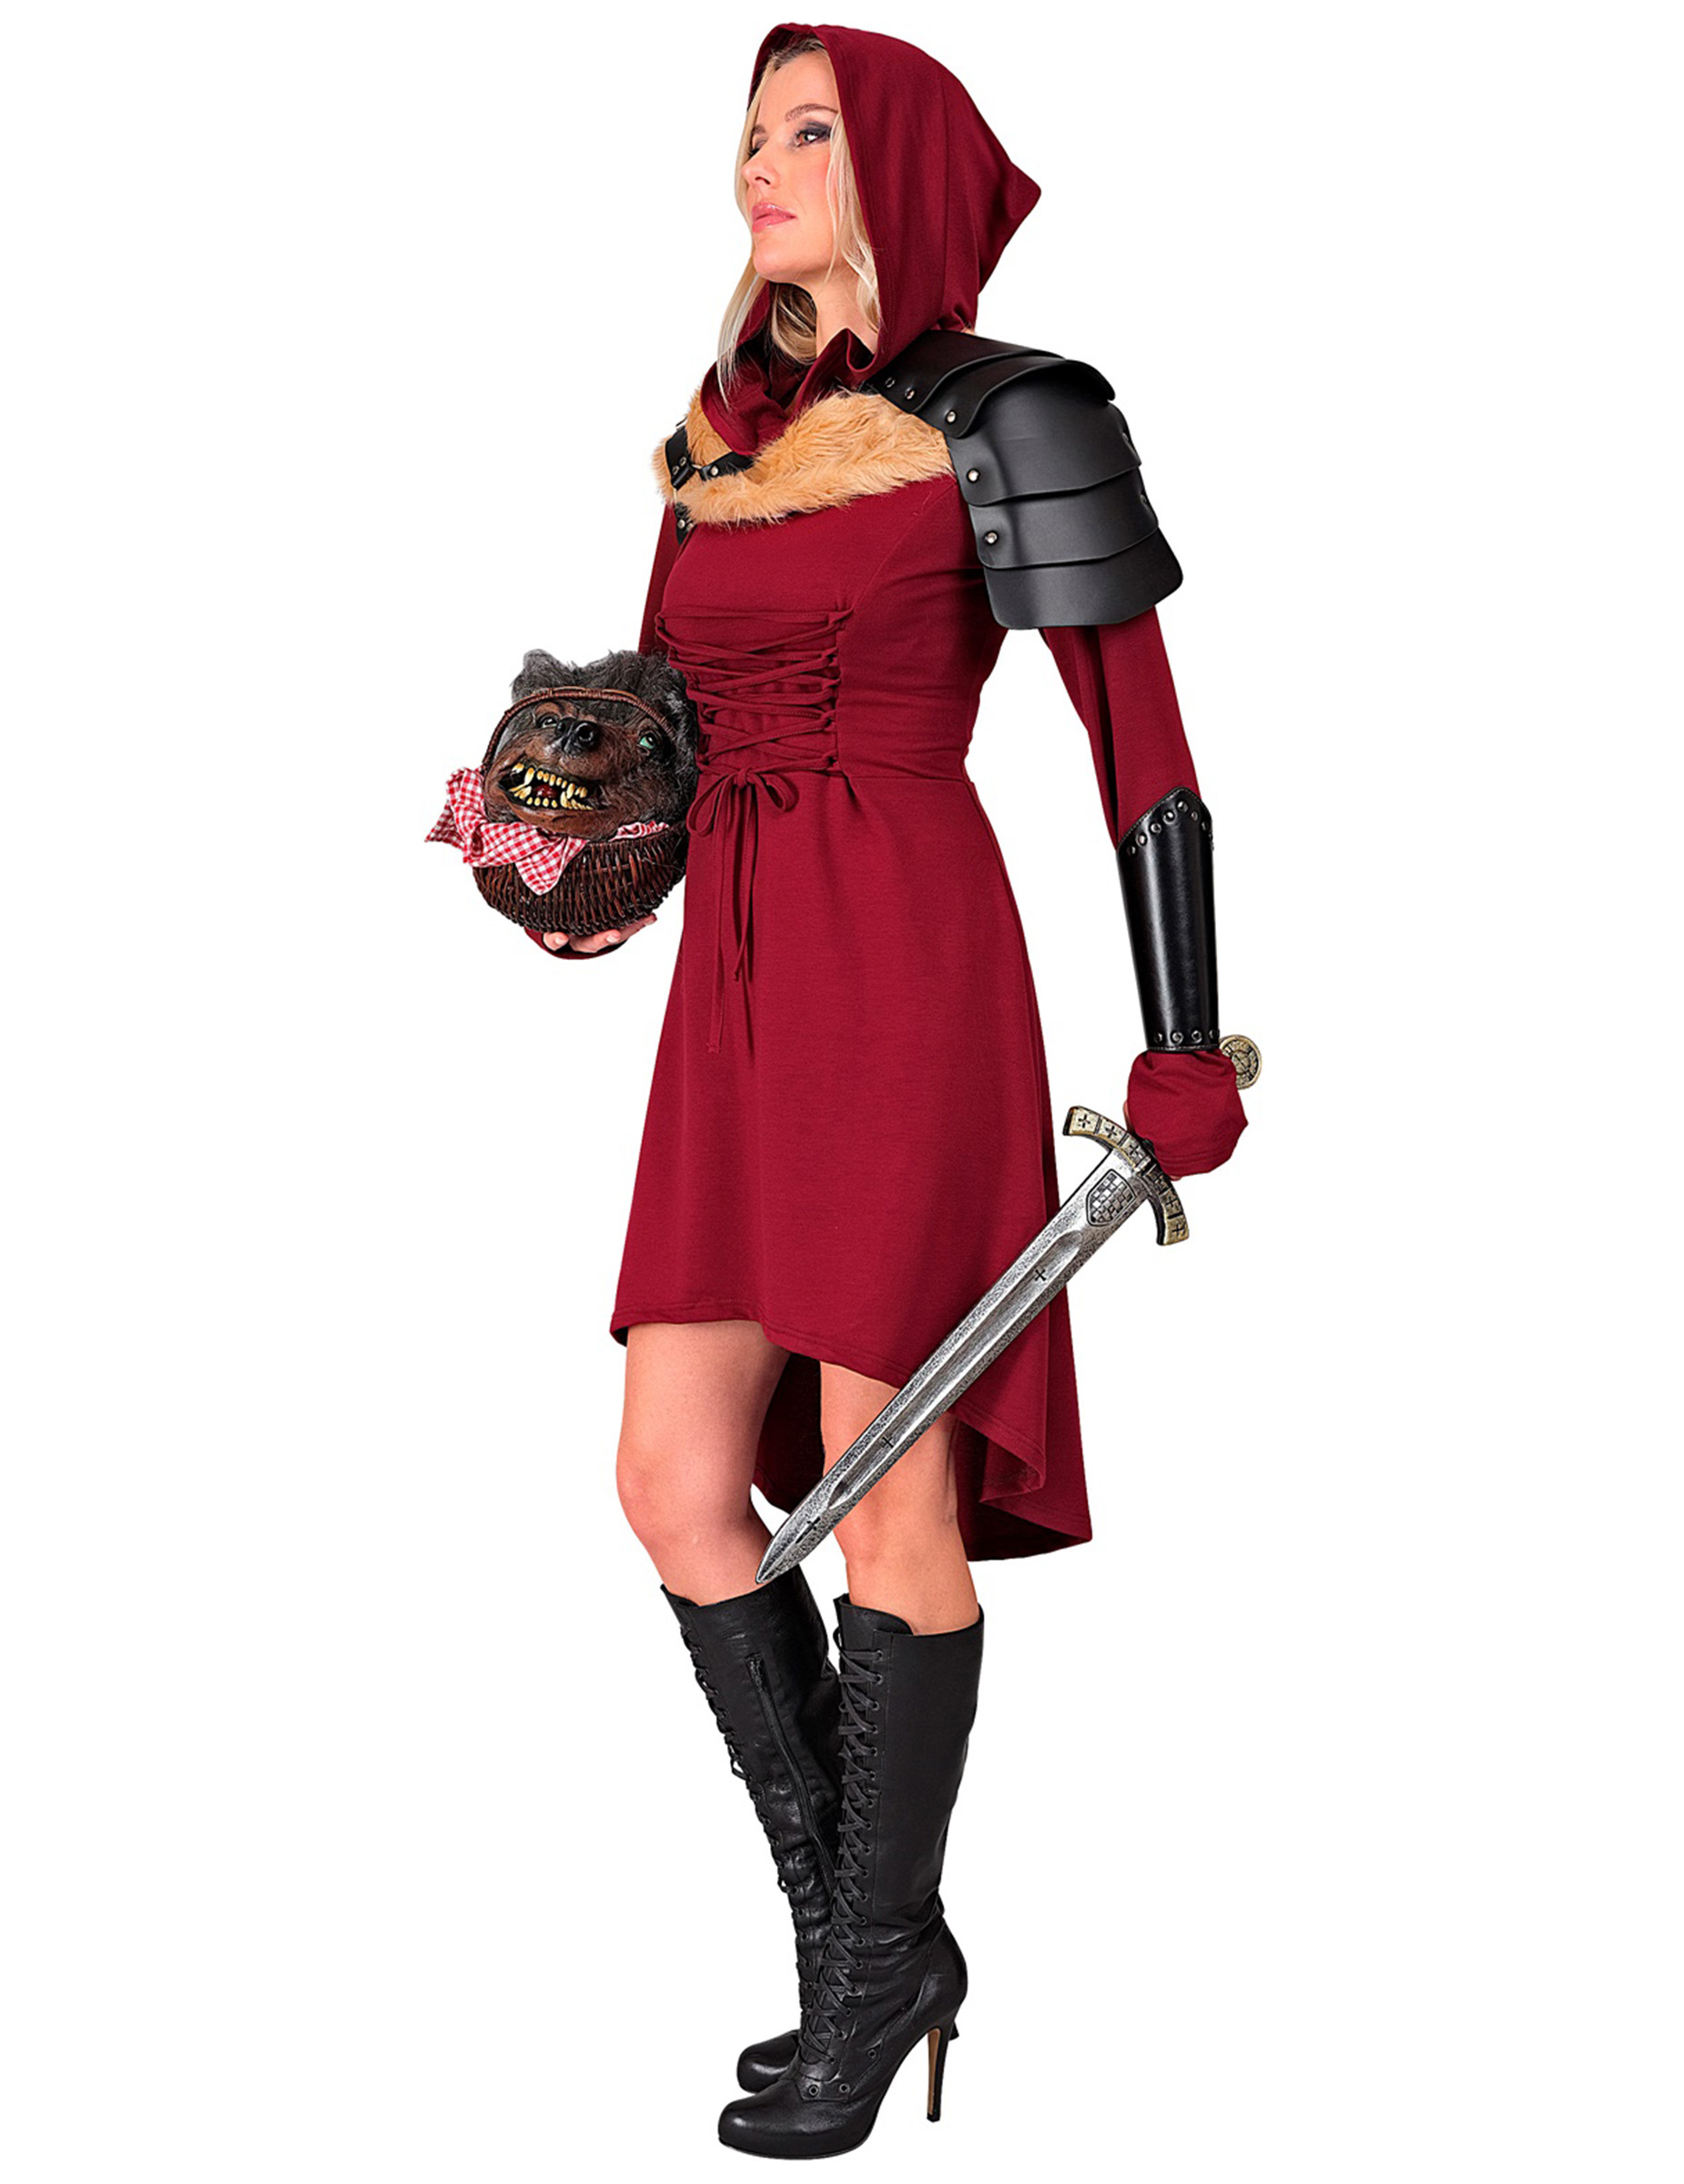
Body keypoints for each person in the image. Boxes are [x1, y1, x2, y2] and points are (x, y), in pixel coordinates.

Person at [531, 21, 1248, 2157]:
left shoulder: (1015, 415)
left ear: (902, 170)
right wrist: (560, 848)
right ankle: (879, 1945)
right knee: (675, 1478)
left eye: (807, 130)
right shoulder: (713, 443)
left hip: (905, 963)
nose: (757, 165)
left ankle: (856, 1985)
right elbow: (659, 734)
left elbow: (1143, 745)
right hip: (737, 987)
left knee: (885, 1482)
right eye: (747, 133)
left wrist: (1183, 1036)